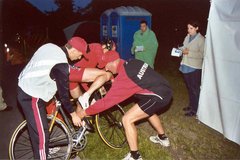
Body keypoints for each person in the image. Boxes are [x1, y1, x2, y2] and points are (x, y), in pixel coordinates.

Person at [77, 51, 172, 160]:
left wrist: (84, 112)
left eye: (106, 66)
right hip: (164, 88)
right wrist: (114, 80)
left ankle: (135, 156)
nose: (106, 69)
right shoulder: (131, 62)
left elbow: (106, 102)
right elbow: (131, 79)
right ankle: (163, 138)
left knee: (127, 119)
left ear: (112, 62)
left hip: (159, 96)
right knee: (147, 110)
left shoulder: (125, 77)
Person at [17, 37, 86, 160]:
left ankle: (43, 152)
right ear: (74, 50)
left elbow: (43, 66)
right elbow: (64, 94)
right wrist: (73, 114)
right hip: (31, 94)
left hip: (23, 84)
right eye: (80, 55)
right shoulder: (61, 64)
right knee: (41, 136)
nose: (80, 58)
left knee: (37, 131)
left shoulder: (49, 46)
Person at [69, 39, 115, 109]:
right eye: (110, 52)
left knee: (80, 103)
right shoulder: (97, 47)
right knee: (106, 75)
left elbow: (98, 67)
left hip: (78, 75)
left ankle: (82, 119)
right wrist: (112, 77)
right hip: (77, 72)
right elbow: (101, 64)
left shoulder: (95, 49)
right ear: (104, 47)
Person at [179, 21, 205, 117]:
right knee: (189, 88)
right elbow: (184, 47)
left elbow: (202, 54)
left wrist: (188, 53)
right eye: (188, 28)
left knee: (195, 89)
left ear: (197, 28)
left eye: (191, 28)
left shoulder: (201, 40)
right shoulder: (187, 36)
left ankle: (195, 109)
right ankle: (191, 105)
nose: (188, 30)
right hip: (185, 65)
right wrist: (180, 49)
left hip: (194, 68)